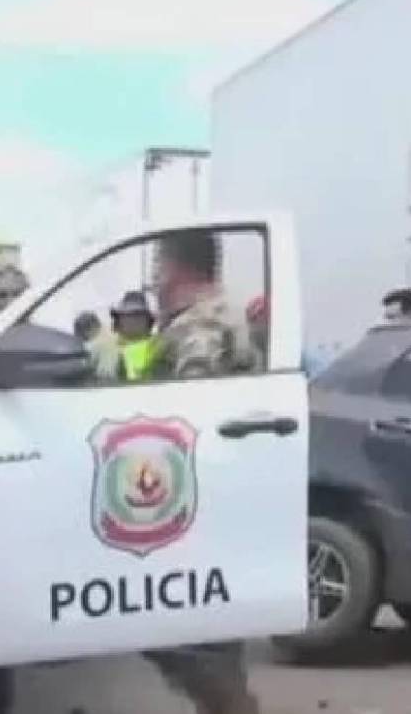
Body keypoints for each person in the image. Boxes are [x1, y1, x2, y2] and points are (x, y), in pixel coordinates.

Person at [143, 228, 260, 714]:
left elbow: (190, 413)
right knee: (200, 642)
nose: (153, 278)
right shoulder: (203, 318)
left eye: (157, 265)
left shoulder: (201, 327)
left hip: (197, 503)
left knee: (197, 642)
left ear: (177, 267)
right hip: (205, 501)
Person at [110, 290, 159, 381]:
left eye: (136, 315)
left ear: (148, 320)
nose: (130, 321)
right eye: (125, 316)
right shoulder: (112, 347)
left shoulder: (158, 347)